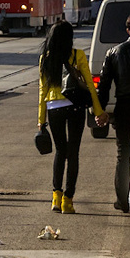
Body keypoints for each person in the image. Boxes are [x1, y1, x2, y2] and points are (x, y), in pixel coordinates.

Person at [38, 20, 106, 214]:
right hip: (75, 106)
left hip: (54, 108)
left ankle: (56, 198)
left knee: (60, 152)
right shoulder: (78, 55)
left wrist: (41, 121)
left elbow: (42, 92)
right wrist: (98, 111)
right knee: (73, 153)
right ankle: (68, 201)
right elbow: (90, 87)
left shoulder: (46, 58)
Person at [97, 12, 130, 214]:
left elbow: (104, 87)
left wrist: (100, 111)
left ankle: (122, 201)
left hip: (123, 107)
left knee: (123, 154)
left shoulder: (114, 52)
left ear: (127, 30)